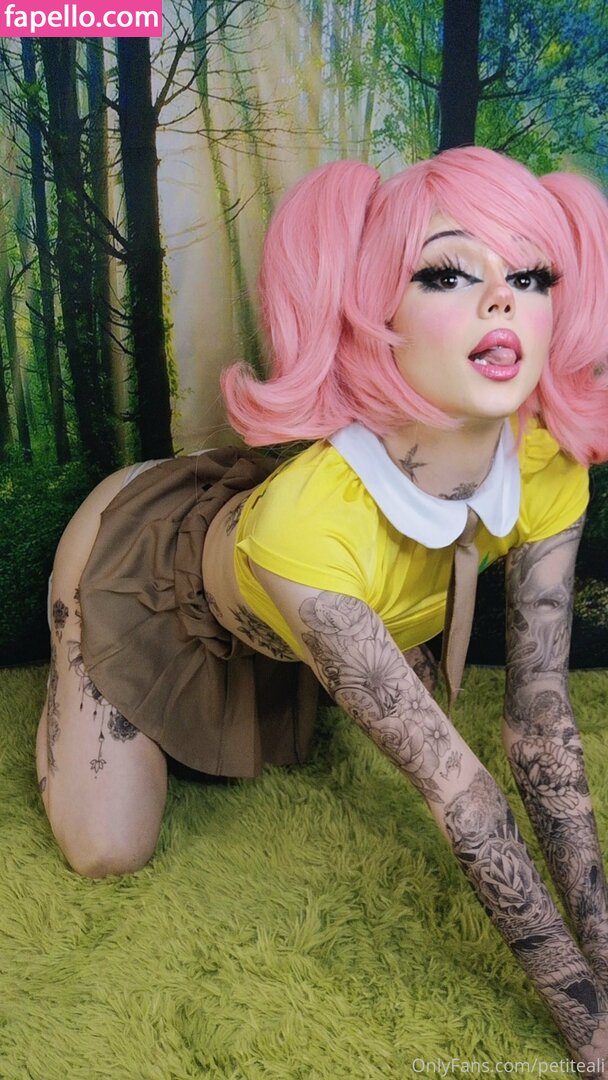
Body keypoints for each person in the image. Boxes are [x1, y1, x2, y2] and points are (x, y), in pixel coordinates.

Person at [36, 146, 608, 1069]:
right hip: (145, 562)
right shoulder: (312, 524)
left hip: (290, 589)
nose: (502, 301)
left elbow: (541, 725)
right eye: (448, 273)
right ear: (376, 309)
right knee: (107, 852)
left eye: (530, 276)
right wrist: (591, 1027)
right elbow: (457, 791)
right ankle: (75, 657)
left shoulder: (547, 462)